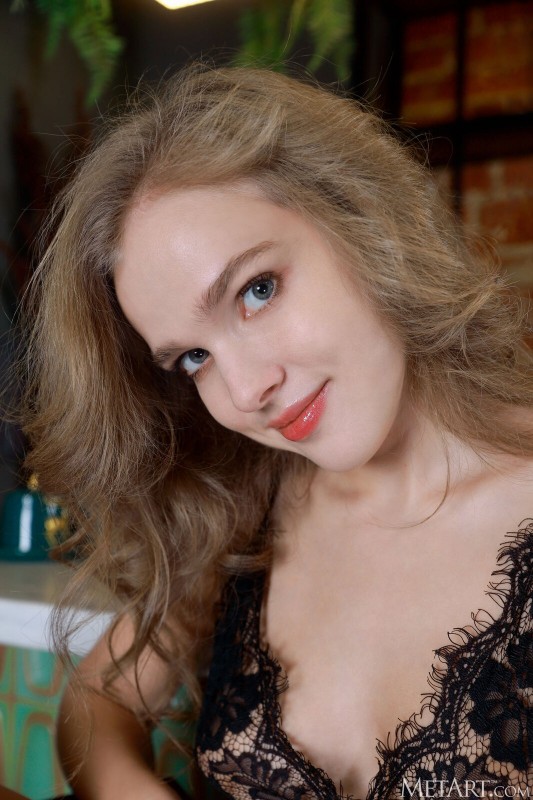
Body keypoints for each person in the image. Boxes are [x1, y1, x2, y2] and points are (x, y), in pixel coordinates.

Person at [22, 65, 533, 800]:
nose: (245, 391)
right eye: (193, 358)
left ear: (360, 218)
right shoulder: (248, 509)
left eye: (256, 291)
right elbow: (96, 700)